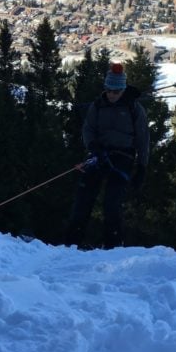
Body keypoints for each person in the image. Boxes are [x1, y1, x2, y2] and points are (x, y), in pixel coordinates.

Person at [64, 62, 149, 249]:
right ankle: (72, 242)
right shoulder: (98, 105)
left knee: (112, 202)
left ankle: (113, 245)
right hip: (99, 154)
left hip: (123, 156)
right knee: (83, 198)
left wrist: (142, 167)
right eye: (109, 90)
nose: (112, 94)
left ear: (123, 89)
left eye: (116, 91)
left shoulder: (134, 109)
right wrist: (93, 146)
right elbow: (88, 129)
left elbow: (143, 138)